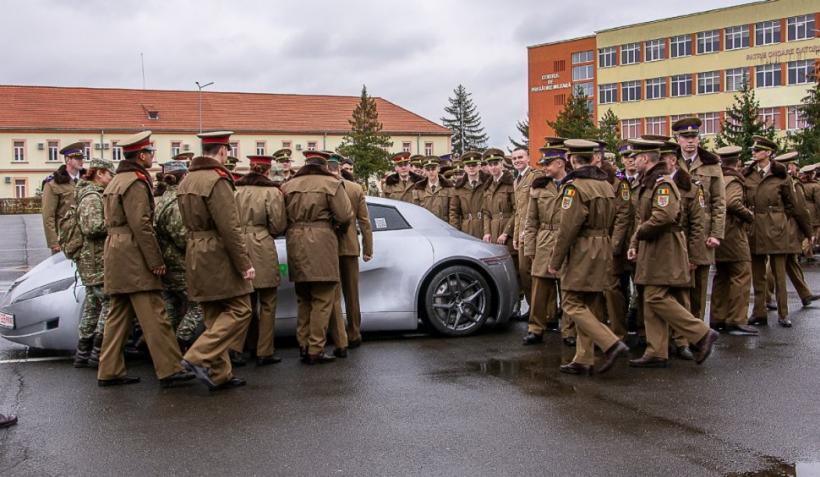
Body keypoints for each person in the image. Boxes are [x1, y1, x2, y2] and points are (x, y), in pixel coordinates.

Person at [97, 131, 193, 387]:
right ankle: (171, 369)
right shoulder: (136, 182)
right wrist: (155, 260)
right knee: (155, 313)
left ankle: (109, 370)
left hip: (116, 251)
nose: (153, 156)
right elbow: (141, 225)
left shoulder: (117, 180)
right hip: (133, 253)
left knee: (118, 315)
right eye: (150, 152)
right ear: (141, 155)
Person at [626, 139, 719, 368]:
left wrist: (639, 234)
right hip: (653, 245)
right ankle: (656, 351)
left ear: (645, 159)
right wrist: (636, 242)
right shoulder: (647, 182)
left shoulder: (662, 183)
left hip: (664, 245)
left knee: (655, 296)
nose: (632, 161)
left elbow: (663, 216)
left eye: (636, 157)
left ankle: (701, 333)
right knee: (650, 296)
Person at [176, 131, 257, 390]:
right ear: (223, 151)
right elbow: (229, 227)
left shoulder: (186, 180)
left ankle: (220, 374)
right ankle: (198, 356)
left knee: (213, 313)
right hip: (217, 251)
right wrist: (244, 263)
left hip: (195, 249)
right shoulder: (217, 180)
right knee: (241, 309)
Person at [547, 140, 628, 375]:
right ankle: (583, 357)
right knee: (590, 304)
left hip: (583, 248)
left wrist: (555, 260)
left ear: (572, 161)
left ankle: (611, 343)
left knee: (571, 302)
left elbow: (567, 229)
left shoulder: (575, 188)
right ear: (592, 159)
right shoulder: (605, 186)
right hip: (602, 245)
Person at [281, 150, 354, 364]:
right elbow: (344, 215)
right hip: (322, 241)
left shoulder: (288, 186)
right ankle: (316, 348)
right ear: (324, 164)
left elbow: (279, 217)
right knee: (323, 298)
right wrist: (336, 227)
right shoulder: (331, 184)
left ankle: (303, 345)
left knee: (303, 298)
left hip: (295, 241)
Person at [744, 137, 812, 327]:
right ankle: (759, 312)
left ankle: (783, 313)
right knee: (758, 276)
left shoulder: (782, 176)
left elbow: (794, 206)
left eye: (758, 150)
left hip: (776, 229)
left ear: (768, 153)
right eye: (754, 150)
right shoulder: (748, 175)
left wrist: (786, 222)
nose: (754, 153)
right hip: (755, 228)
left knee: (779, 275)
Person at [235, 155, 288, 366]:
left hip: (238, 244)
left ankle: (239, 347)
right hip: (262, 242)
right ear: (267, 171)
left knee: (243, 301)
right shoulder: (272, 192)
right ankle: (264, 350)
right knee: (268, 301)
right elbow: (278, 224)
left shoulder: (234, 190)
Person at [657, 138, 707, 360]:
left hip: (682, 246)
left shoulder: (691, 188)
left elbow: (698, 225)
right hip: (659, 247)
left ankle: (683, 341)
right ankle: (662, 342)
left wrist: (695, 255)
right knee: (659, 294)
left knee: (681, 296)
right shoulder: (654, 184)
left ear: (673, 160)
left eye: (662, 159)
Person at [673, 117, 726, 322]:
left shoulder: (711, 165)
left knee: (700, 286)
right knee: (678, 285)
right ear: (677, 139)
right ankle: (679, 333)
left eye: (693, 136)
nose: (690, 141)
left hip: (702, 232)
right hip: (677, 230)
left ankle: (697, 332)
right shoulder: (671, 162)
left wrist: (716, 233)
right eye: (685, 137)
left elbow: (720, 202)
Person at [153, 160, 204, 352]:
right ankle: (180, 341)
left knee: (171, 309)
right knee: (198, 305)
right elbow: (182, 237)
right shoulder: (176, 203)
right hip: (179, 264)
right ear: (183, 176)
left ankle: (167, 350)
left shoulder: (163, 198)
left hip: (167, 263)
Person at [325, 153, 373, 353]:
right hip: (351, 245)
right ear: (340, 168)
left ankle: (339, 338)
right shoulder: (355, 188)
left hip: (328, 247)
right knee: (352, 294)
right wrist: (368, 249)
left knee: (333, 295)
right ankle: (354, 333)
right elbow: (365, 221)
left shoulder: (323, 187)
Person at [72, 158, 116, 368]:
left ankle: (83, 353)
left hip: (91, 260)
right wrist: (115, 223)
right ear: (99, 173)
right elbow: (92, 228)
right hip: (95, 260)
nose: (111, 178)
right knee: (108, 303)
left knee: (92, 305)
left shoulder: (90, 194)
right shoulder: (92, 196)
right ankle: (98, 353)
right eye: (109, 174)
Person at [709, 146, 757, 336]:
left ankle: (717, 317)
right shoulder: (735, 180)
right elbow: (732, 203)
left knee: (721, 276)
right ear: (737, 162)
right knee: (741, 274)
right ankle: (736, 319)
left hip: (719, 232)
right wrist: (750, 216)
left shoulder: (719, 177)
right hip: (733, 233)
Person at [522, 146, 566, 345]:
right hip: (545, 239)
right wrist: (529, 248)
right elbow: (531, 221)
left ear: (560, 163)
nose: (545, 168)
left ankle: (569, 330)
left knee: (566, 289)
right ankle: (536, 328)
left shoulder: (573, 185)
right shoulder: (539, 187)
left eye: (548, 164)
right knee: (540, 288)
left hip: (566, 239)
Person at [774, 151, 818, 307]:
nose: (795, 168)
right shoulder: (791, 183)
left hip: (780, 227)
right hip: (787, 228)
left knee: (791, 262)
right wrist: (809, 232)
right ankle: (765, 298)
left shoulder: (778, 180)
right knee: (773, 265)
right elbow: (800, 210)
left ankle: (805, 294)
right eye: (793, 165)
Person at [511, 147, 541, 319]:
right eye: (514, 158)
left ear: (529, 158)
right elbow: (518, 212)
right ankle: (532, 309)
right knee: (524, 272)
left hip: (532, 233)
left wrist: (529, 231)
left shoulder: (535, 177)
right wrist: (516, 235)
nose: (517, 161)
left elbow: (535, 208)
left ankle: (543, 313)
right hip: (521, 233)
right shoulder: (517, 180)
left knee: (535, 273)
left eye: (520, 157)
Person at [42, 142, 85, 254]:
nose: (81, 161)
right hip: (65, 239)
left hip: (87, 238)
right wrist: (54, 242)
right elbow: (48, 216)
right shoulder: (54, 183)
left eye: (82, 158)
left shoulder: (88, 180)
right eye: (77, 158)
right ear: (67, 160)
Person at [449, 151, 488, 238]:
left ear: (479, 166)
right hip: (466, 229)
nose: (471, 168)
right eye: (468, 166)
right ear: (465, 168)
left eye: (474, 165)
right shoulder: (459, 188)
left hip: (484, 227)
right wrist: (456, 232)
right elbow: (454, 212)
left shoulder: (487, 184)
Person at [482, 148, 516, 249]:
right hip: (493, 232)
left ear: (501, 164)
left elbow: (516, 211)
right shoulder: (488, 187)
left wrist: (506, 233)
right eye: (490, 165)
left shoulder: (511, 184)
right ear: (487, 166)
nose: (493, 167)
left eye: (496, 164)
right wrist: (487, 232)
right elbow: (486, 213)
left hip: (508, 232)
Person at [413, 156, 453, 222]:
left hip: (444, 226)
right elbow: (416, 212)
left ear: (438, 169)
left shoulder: (448, 187)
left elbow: (452, 212)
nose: (431, 172)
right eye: (428, 169)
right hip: (425, 226)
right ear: (424, 170)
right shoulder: (418, 189)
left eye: (433, 169)